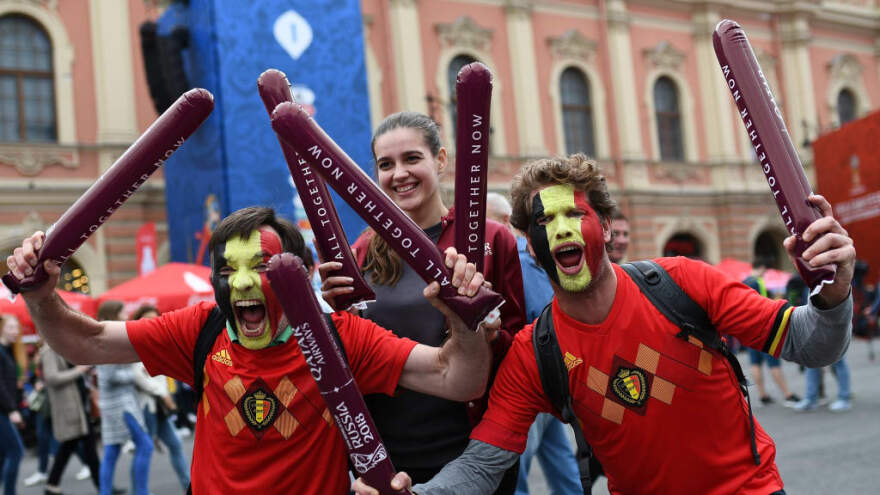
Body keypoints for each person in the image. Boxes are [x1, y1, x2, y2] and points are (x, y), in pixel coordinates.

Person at [353, 153, 855, 495]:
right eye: (544, 223)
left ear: (607, 227)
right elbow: (485, 462)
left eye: (575, 213)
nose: (562, 229)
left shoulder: (683, 284)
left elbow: (813, 345)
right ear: (532, 247)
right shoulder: (536, 351)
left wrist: (834, 292)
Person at [7, 205, 493, 494]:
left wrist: (462, 317)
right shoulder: (200, 329)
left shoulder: (341, 336)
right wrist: (40, 294)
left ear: (301, 275)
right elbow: (85, 341)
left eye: (262, 265)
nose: (241, 282)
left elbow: (458, 378)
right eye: (227, 269)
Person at [345, 112, 525, 492]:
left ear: (440, 160)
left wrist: (487, 332)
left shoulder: (492, 238)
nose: (399, 174)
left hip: (469, 446)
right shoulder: (361, 248)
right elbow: (355, 347)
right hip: (387, 447)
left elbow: (518, 347)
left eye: (412, 158)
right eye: (386, 164)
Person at [487, 193, 580, 495]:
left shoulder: (518, 261)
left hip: (524, 383)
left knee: (518, 472)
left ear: (503, 221)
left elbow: (545, 319)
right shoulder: (534, 260)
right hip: (546, 379)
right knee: (562, 464)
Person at [94, 301, 153, 495]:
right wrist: (137, 374)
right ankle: (141, 492)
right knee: (145, 445)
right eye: (122, 312)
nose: (126, 315)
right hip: (121, 405)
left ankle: (105, 491)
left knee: (112, 451)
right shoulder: (109, 337)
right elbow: (109, 375)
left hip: (114, 404)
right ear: (113, 314)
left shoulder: (106, 334)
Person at [129, 305, 190, 490]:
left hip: (159, 406)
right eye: (146, 318)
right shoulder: (134, 342)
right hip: (148, 406)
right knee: (144, 450)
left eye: (155, 319)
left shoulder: (158, 341)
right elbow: (137, 376)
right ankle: (139, 491)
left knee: (175, 445)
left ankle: (188, 487)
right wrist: (163, 395)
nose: (151, 322)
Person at [40, 342, 102, 495]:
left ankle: (52, 484)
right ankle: (103, 486)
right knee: (84, 446)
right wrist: (78, 370)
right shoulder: (49, 350)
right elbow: (52, 377)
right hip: (69, 407)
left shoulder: (62, 346)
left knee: (75, 446)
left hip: (78, 406)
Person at [742, 257, 800, 407]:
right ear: (761, 268)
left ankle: (763, 395)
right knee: (773, 363)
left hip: (748, 330)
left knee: (755, 363)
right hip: (763, 329)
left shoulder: (744, 282)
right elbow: (763, 305)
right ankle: (787, 394)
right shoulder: (758, 282)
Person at [0, 315, 24, 495]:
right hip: (3, 411)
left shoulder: (7, 350)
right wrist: (11, 409)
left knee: (3, 455)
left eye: (16, 327)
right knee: (16, 451)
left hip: (5, 409)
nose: (15, 331)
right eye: (10, 327)